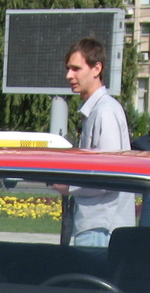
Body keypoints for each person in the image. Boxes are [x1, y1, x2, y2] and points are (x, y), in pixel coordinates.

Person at [59, 38, 133, 247]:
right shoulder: (100, 110)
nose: (69, 75)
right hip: (99, 224)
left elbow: (109, 177)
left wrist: (68, 186)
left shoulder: (104, 112)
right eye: (68, 69)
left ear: (96, 69)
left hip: (100, 226)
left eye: (76, 68)